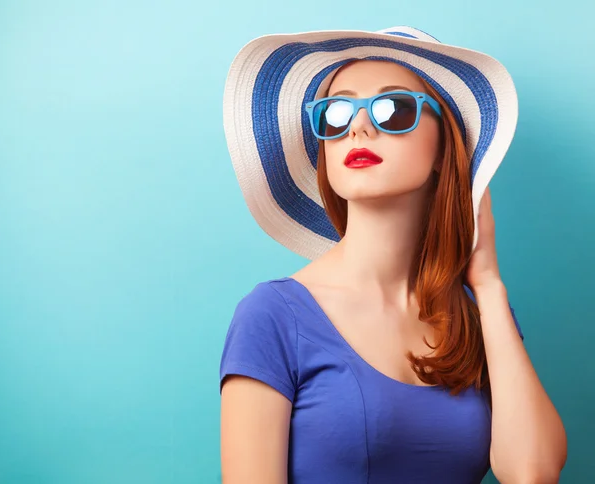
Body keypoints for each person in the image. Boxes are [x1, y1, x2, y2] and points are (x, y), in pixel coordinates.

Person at [219, 26, 567, 483]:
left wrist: (487, 283)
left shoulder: (478, 320)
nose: (358, 126)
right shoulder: (273, 316)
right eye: (337, 112)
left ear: (445, 146)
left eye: (394, 108)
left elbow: (532, 473)